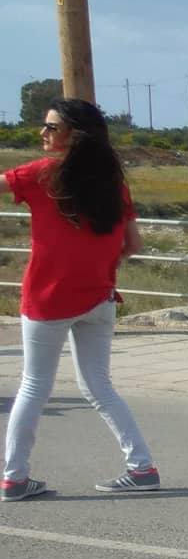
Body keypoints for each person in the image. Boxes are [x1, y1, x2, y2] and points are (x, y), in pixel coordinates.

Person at [3, 99, 160, 501]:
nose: (43, 134)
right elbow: (133, 245)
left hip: (48, 299)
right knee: (100, 386)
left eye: (51, 127)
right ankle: (141, 467)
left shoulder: (42, 175)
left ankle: (14, 478)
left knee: (34, 386)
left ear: (75, 134)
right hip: (98, 298)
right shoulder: (113, 183)